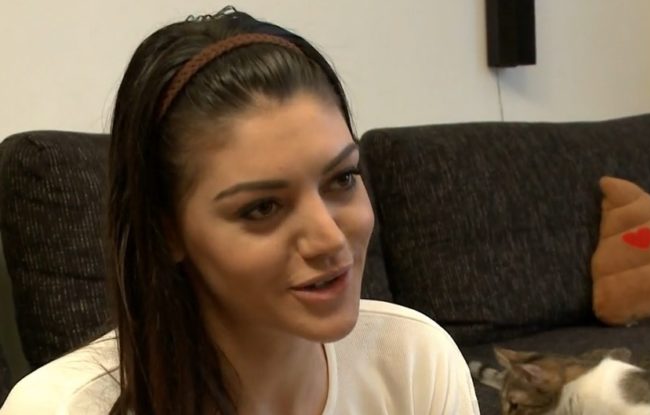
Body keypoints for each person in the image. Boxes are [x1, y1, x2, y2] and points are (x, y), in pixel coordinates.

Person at [0, 7, 480, 415]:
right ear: (167, 230)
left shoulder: (413, 362)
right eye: (263, 208)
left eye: (342, 179)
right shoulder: (59, 407)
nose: (331, 239)